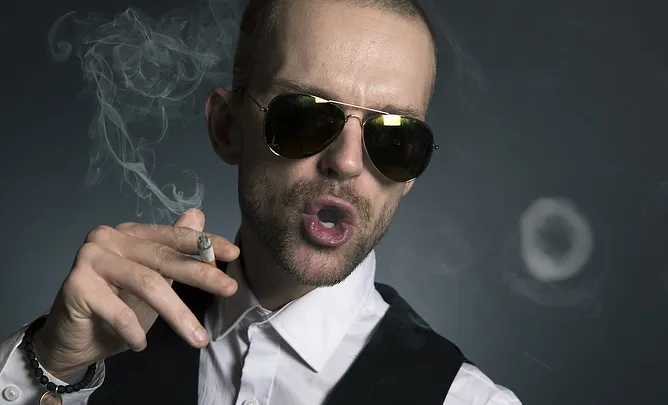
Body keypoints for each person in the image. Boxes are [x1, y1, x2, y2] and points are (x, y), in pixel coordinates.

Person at [0, 0, 521, 404]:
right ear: (228, 128)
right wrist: (47, 363)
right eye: (305, 116)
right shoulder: (100, 344)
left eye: (394, 137)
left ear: (411, 173)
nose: (346, 162)